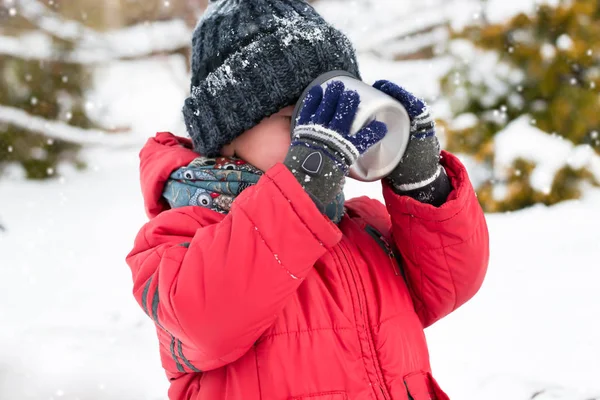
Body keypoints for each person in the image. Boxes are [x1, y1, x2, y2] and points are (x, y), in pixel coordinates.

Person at [126, 0, 489, 399]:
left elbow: (450, 285)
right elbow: (206, 322)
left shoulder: (363, 227)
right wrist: (302, 188)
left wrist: (423, 183)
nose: (324, 134)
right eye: (297, 117)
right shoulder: (183, 235)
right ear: (227, 137)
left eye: (336, 115)